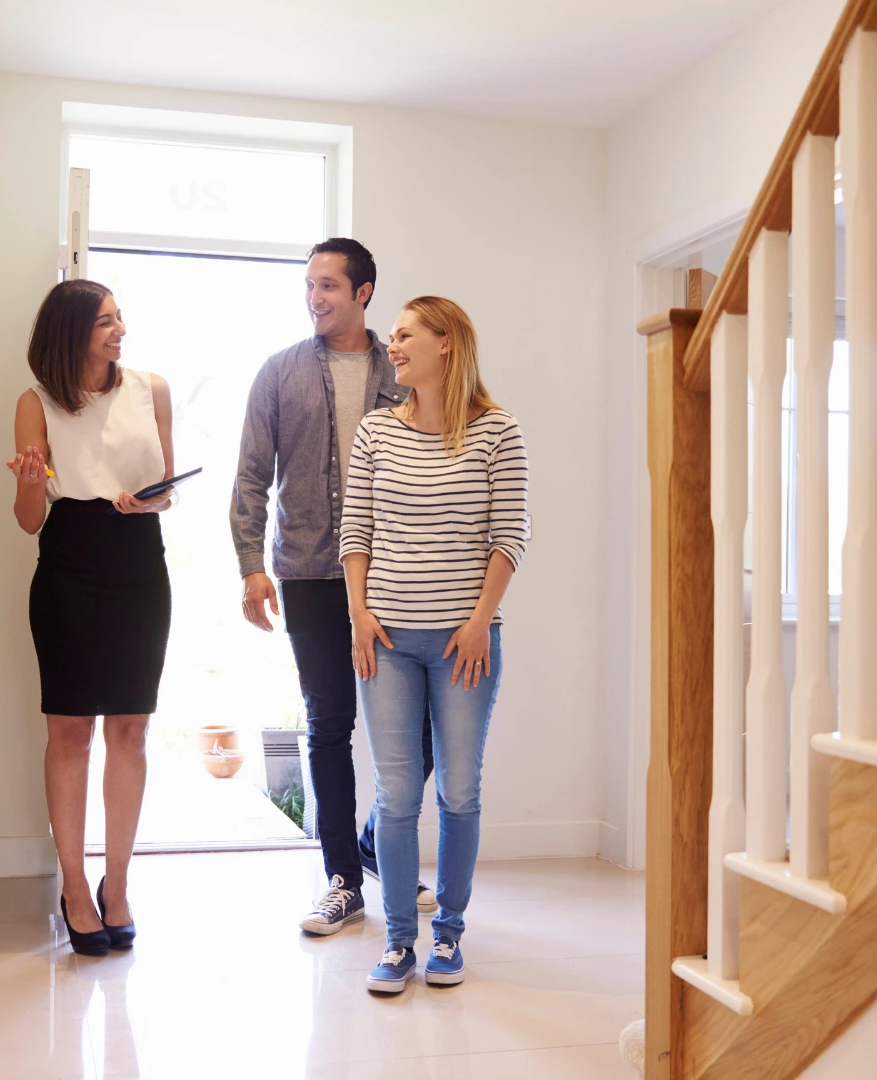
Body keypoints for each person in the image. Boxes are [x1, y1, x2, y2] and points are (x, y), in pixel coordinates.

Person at [231, 238, 437, 935]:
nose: (316, 298)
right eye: (310, 286)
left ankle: (375, 839)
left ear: (364, 292)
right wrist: (251, 565)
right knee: (328, 725)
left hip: (399, 571)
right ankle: (343, 879)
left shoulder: (406, 373)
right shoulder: (280, 373)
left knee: (422, 727)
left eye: (329, 286)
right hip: (311, 573)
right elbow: (253, 476)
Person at [340, 295, 529, 992]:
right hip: (384, 640)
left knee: (459, 791)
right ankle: (397, 943)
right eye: (391, 337)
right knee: (395, 796)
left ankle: (448, 936)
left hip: (463, 646)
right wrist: (359, 614)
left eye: (405, 334)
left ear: (446, 344)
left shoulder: (497, 431)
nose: (393, 346)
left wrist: (479, 621)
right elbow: (355, 531)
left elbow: (509, 534)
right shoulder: (376, 434)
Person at [7, 279, 175, 956]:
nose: (121, 330)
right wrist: (26, 482)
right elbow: (28, 521)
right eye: (106, 322)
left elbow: (166, 495)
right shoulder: (36, 402)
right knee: (70, 728)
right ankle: (74, 885)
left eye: (119, 318)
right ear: (71, 332)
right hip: (69, 560)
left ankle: (118, 884)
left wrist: (149, 502)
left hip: (139, 558)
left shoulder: (150, 389)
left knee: (130, 729)